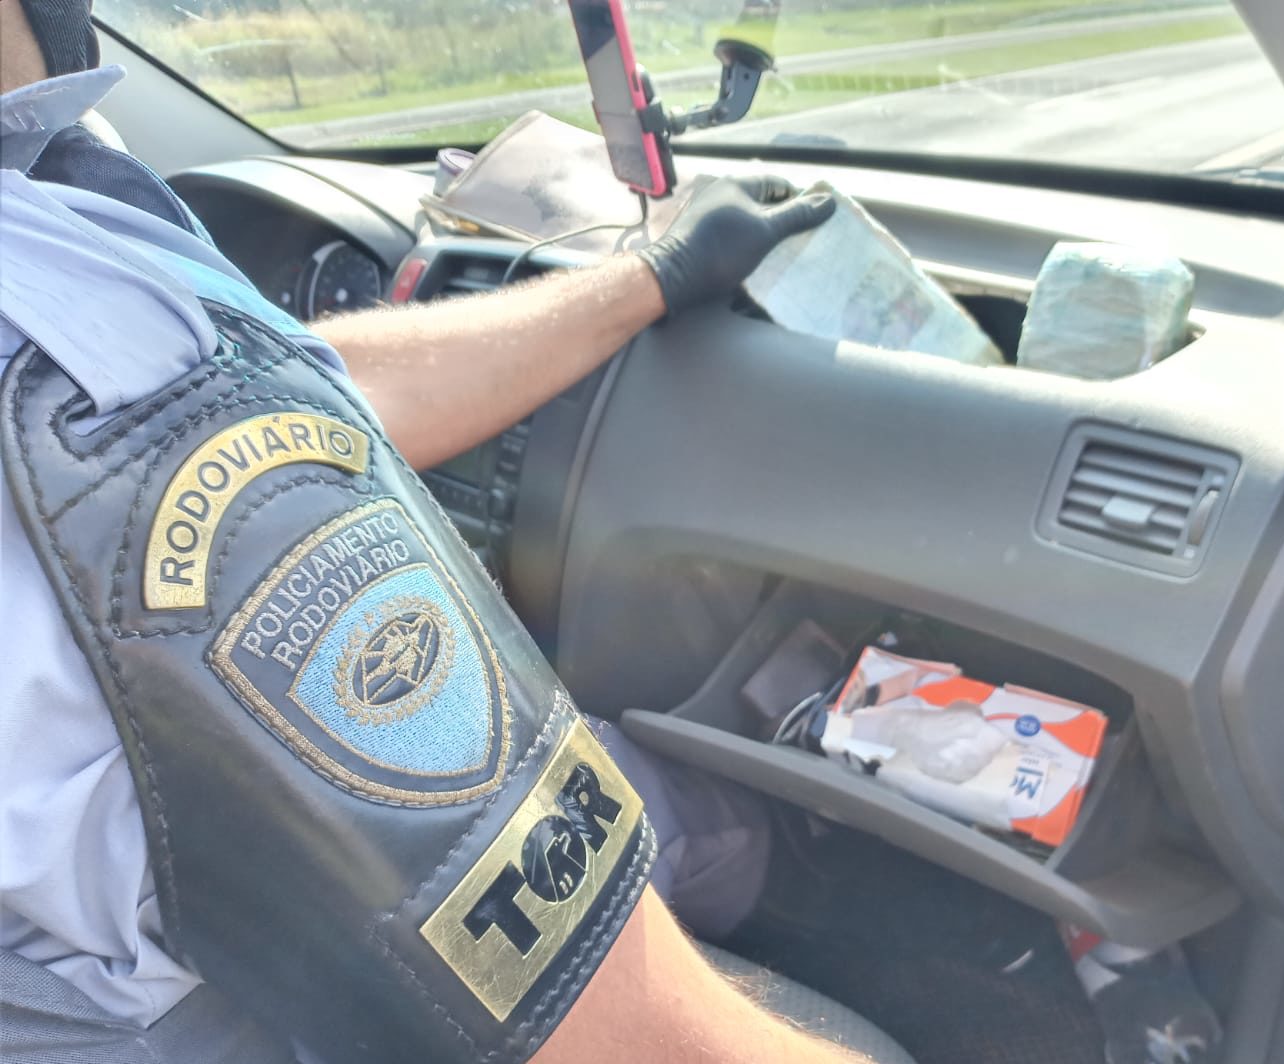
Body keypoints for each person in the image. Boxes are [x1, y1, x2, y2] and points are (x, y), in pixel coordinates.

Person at [0, 2, 894, 1062]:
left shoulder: (63, 252)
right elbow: (645, 1043)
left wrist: (649, 278)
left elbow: (303, 395)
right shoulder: (78, 377)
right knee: (709, 830)